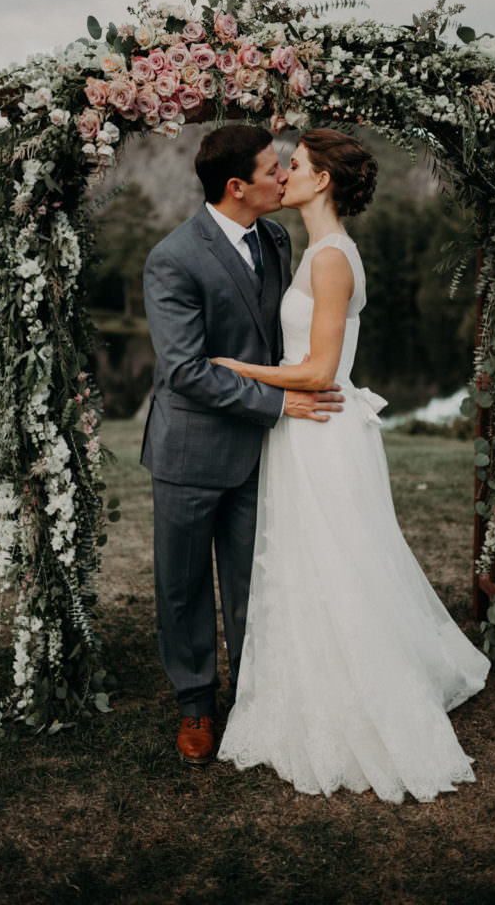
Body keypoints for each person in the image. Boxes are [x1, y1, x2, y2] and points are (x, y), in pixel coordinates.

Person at [214, 128, 490, 803]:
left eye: (297, 166)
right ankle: (304, 688)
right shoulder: (313, 250)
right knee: (309, 563)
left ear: (323, 181)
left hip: (322, 431)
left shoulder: (332, 258)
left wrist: (232, 368)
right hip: (306, 429)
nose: (284, 175)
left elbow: (317, 370)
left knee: (335, 564)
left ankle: (359, 701)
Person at [141, 125, 343, 766]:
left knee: (257, 579)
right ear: (238, 187)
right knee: (184, 585)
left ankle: (259, 695)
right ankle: (196, 704)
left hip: (264, 452)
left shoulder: (279, 238)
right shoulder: (174, 258)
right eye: (271, 169)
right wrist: (281, 401)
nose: (284, 176)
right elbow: (186, 371)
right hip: (191, 451)